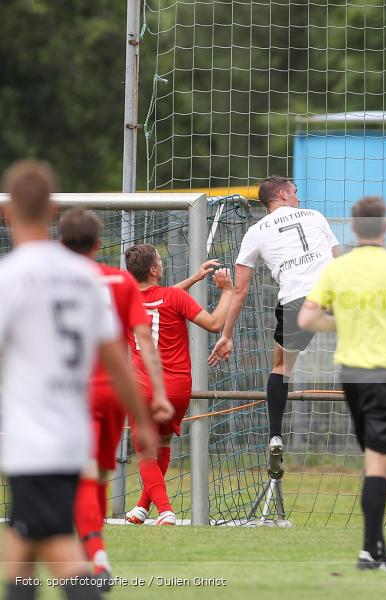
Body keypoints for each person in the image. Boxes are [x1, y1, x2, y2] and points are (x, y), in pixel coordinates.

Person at [0, 161, 157, 600]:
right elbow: (117, 357)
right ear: (52, 210)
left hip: (34, 438)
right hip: (72, 433)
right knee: (20, 549)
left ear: (8, 213)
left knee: (56, 549)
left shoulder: (10, 276)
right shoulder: (85, 279)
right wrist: (142, 420)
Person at [300, 196, 386, 570]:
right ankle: (367, 550)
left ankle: (378, 549)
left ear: (353, 228)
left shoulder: (337, 270)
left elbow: (306, 320)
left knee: (372, 458)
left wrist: (339, 324)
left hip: (351, 375)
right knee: (378, 464)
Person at [59, 208, 174, 584]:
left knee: (75, 475)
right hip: (110, 391)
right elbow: (142, 338)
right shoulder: (120, 283)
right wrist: (156, 392)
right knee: (99, 473)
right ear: (97, 244)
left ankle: (90, 551)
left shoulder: (47, 280)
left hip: (64, 392)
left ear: (61, 244)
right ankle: (98, 550)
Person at [209, 176, 340, 477]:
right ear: (282, 193)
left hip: (296, 301)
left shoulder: (255, 232)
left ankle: (275, 436)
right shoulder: (316, 216)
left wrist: (226, 335)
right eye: (295, 192)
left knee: (281, 367)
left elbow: (239, 291)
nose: (299, 198)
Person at [123, 244, 234, 526]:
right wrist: (227, 291)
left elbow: (153, 300)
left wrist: (194, 278)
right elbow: (214, 323)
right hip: (177, 389)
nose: (163, 264)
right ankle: (142, 507)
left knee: (146, 451)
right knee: (162, 442)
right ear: (154, 270)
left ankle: (166, 510)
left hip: (143, 389)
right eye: (160, 261)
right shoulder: (173, 297)